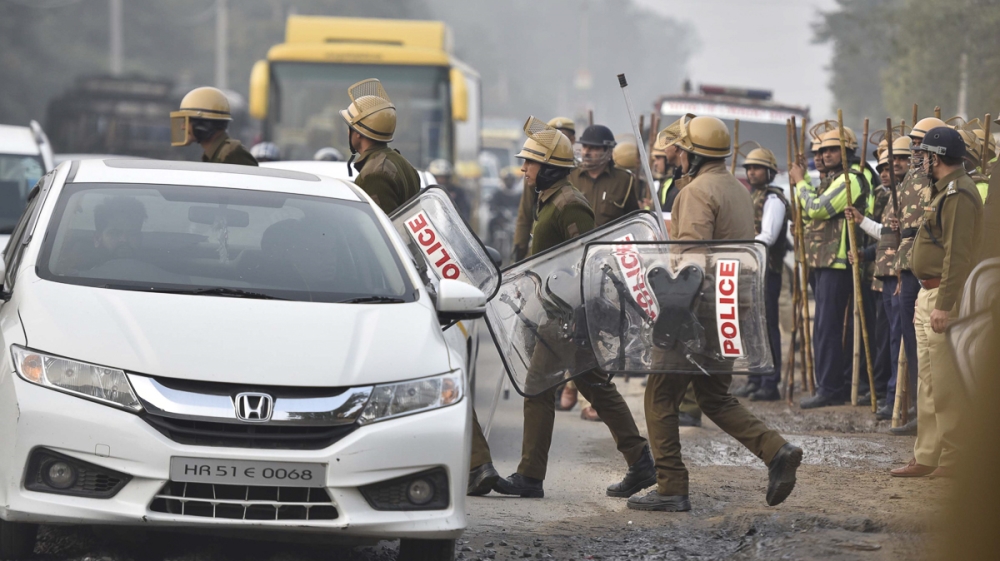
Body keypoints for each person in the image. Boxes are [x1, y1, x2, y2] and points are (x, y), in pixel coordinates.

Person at [629, 116, 802, 512]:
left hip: (695, 311)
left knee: (659, 396)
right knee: (715, 397)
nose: (677, 157)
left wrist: (674, 315)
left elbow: (692, 261)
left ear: (690, 153)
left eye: (681, 151)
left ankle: (671, 485)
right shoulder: (737, 189)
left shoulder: (695, 192)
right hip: (726, 307)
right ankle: (777, 450)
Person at [489, 117, 656, 501]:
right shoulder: (547, 201)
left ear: (548, 167)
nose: (523, 169)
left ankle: (535, 476)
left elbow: (588, 265)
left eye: (529, 162)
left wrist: (582, 321)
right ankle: (636, 460)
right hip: (553, 312)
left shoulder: (570, 204)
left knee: (561, 388)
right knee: (574, 386)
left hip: (568, 317)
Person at [890, 127, 982, 479]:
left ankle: (955, 457)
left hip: (945, 296)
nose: (921, 161)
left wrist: (943, 303)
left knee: (945, 383)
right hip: (929, 293)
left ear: (938, 157)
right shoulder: (942, 190)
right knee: (928, 382)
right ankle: (928, 455)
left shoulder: (959, 193)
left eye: (925, 155)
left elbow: (957, 256)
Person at [789, 126, 873, 408]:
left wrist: (800, 183)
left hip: (838, 265)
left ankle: (831, 387)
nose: (825, 155)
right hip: (822, 262)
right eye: (822, 150)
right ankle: (831, 384)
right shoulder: (831, 179)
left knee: (828, 327)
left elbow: (817, 208)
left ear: (847, 151)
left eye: (832, 149)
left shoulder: (851, 180)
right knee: (826, 326)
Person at [883, 117, 946, 434]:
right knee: (911, 340)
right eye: (915, 144)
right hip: (906, 264)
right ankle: (918, 411)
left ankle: (929, 414)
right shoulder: (910, 177)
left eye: (923, 145)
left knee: (926, 346)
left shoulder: (938, 178)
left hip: (924, 264)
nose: (918, 151)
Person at [846, 135, 911, 420]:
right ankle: (891, 393)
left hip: (901, 275)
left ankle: (898, 397)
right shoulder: (892, 194)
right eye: (886, 162)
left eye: (899, 159)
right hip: (885, 275)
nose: (891, 166)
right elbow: (887, 233)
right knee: (889, 339)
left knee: (898, 339)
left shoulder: (912, 191)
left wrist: (901, 273)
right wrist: (862, 223)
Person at [735, 147, 788, 402]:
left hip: (767, 271)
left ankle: (770, 381)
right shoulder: (751, 196)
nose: (751, 172)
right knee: (750, 325)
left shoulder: (773, 199)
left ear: (769, 172)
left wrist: (742, 246)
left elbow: (767, 237)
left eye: (756, 168)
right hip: (751, 270)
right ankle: (755, 377)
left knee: (766, 326)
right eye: (748, 168)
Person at [340, 78, 420, 214]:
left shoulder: (375, 173)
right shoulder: (400, 162)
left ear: (359, 133)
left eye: (350, 127)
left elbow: (380, 229)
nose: (348, 132)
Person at [512, 117, 576, 262]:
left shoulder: (569, 201)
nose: (523, 168)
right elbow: (525, 214)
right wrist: (518, 254)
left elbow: (580, 252)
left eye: (530, 162)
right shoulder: (541, 189)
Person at [569, 124, 641, 227]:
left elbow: (634, 219)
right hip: (575, 241)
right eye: (584, 146)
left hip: (609, 241)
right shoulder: (570, 176)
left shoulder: (624, 180)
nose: (586, 152)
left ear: (608, 151)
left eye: (594, 148)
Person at [170, 87, 257, 166]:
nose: (182, 127)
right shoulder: (215, 153)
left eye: (186, 122)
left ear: (202, 124)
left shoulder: (231, 153)